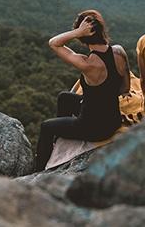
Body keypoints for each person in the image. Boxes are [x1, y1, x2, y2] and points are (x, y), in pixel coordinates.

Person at [35, 10, 130, 171]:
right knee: (64, 97)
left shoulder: (88, 64)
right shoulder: (119, 51)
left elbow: (54, 43)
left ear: (82, 38)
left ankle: (37, 170)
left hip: (92, 127)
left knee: (46, 127)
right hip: (113, 119)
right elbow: (125, 89)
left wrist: (77, 31)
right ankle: (62, 137)